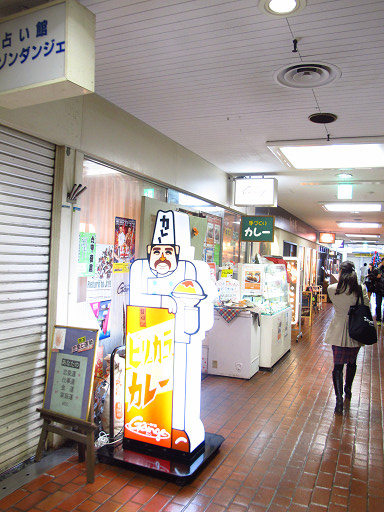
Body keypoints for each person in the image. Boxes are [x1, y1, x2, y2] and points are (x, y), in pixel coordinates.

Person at [324, 261, 370, 414]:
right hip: (355, 330)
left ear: (341, 272)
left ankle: (338, 401)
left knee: (337, 365)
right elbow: (367, 306)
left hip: (338, 330)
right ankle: (348, 389)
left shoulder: (332, 289)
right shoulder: (361, 289)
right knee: (352, 362)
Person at [372, 257, 384, 325]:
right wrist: (376, 277)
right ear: (382, 262)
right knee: (378, 305)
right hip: (379, 290)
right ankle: (378, 319)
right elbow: (371, 277)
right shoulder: (377, 270)